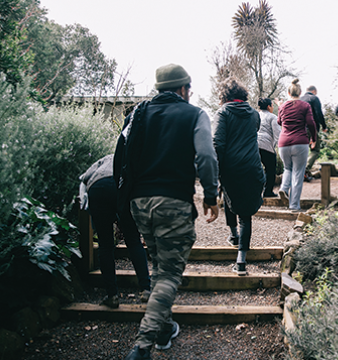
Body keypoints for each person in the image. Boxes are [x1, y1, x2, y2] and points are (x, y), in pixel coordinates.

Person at [122, 64, 219, 360]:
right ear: (183, 89)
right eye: (189, 89)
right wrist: (211, 195)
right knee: (169, 275)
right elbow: (205, 155)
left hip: (139, 203)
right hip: (173, 202)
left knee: (158, 267)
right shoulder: (195, 115)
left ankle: (164, 330)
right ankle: (142, 345)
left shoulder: (138, 114)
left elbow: (124, 152)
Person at [78, 154, 151, 309]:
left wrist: (84, 200)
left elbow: (83, 178)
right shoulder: (130, 157)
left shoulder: (103, 160)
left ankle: (112, 296)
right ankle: (146, 289)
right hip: (121, 185)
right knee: (133, 240)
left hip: (97, 188)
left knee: (105, 244)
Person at [213, 77, 265, 276]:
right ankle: (240, 256)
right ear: (243, 95)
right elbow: (255, 130)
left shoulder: (223, 113)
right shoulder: (254, 114)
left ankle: (236, 243)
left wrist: (216, 172)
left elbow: (217, 144)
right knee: (245, 215)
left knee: (229, 197)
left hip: (231, 168)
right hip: (252, 166)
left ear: (225, 96)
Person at [277, 78, 317, 212]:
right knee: (298, 173)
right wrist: (314, 138)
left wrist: (280, 108)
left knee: (287, 169)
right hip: (300, 142)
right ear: (300, 92)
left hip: (283, 143)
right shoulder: (305, 106)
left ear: (289, 93)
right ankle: (294, 206)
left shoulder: (282, 107)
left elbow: (279, 122)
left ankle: (283, 188)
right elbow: (311, 123)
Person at [300, 85, 326, 181]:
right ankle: (305, 170)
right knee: (315, 150)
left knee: (303, 150)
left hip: (300, 129)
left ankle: (301, 172)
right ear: (314, 91)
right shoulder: (314, 98)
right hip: (311, 128)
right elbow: (318, 113)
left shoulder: (300, 99)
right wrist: (324, 126)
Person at [257, 97, 281, 198]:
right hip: (266, 146)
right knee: (270, 169)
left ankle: (256, 192)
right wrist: (276, 147)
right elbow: (277, 134)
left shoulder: (256, 115)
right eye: (272, 105)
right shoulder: (272, 117)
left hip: (254, 145)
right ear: (268, 106)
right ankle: (268, 192)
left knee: (255, 169)